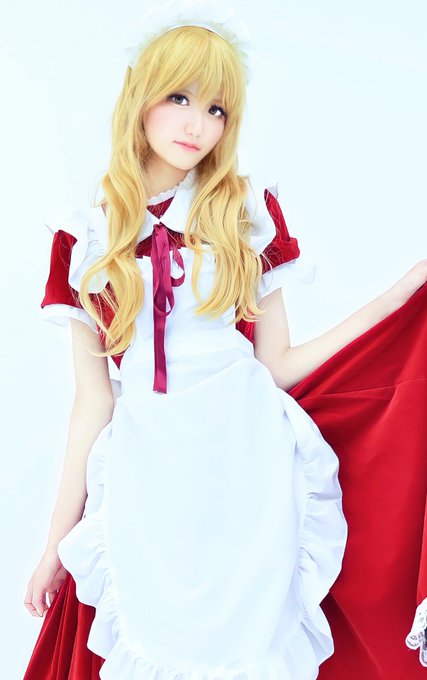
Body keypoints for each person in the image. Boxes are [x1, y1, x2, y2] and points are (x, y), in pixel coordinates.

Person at [23, 1, 427, 679]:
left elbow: (279, 366)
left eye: (216, 109)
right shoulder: (85, 237)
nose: (197, 124)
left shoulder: (246, 213)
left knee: (251, 641)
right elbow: (93, 402)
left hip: (249, 456)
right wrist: (54, 543)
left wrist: (398, 296)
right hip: (149, 466)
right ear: (140, 98)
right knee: (158, 636)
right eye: (179, 98)